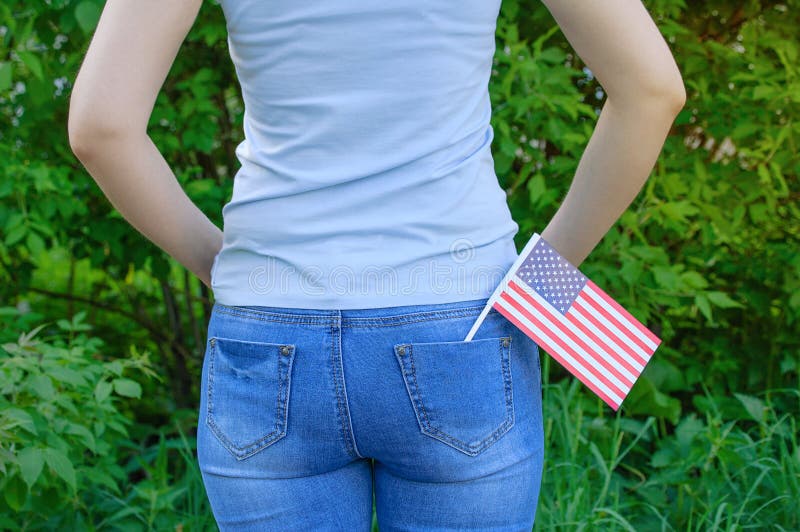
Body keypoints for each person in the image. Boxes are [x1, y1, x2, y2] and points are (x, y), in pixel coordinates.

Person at [68, 0, 685, 529]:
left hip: (269, 326)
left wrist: (227, 270)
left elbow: (102, 126)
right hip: (458, 323)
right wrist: (542, 278)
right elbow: (652, 91)